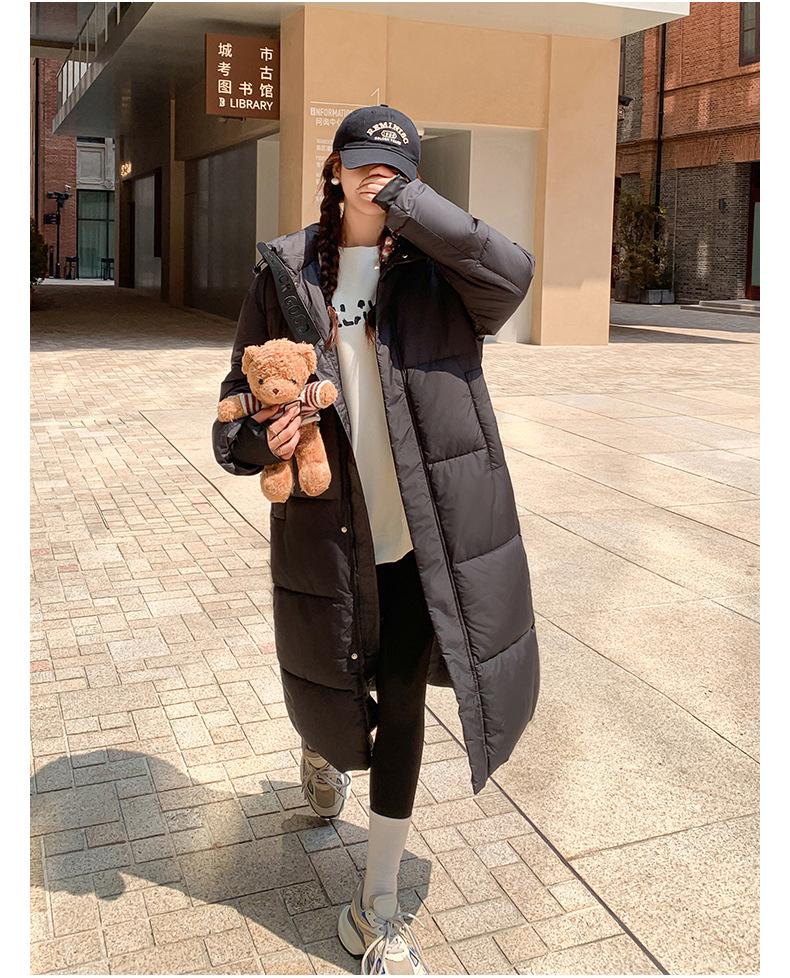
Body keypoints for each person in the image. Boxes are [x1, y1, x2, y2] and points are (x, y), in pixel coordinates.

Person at [212, 104, 540, 975]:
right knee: (333, 682)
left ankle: (377, 908)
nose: (374, 177)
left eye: (394, 168)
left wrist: (414, 208)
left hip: (421, 536)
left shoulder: (439, 272)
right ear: (333, 167)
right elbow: (230, 418)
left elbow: (513, 275)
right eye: (359, 161)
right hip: (329, 535)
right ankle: (321, 752)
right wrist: (262, 442)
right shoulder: (285, 273)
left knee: (401, 703)